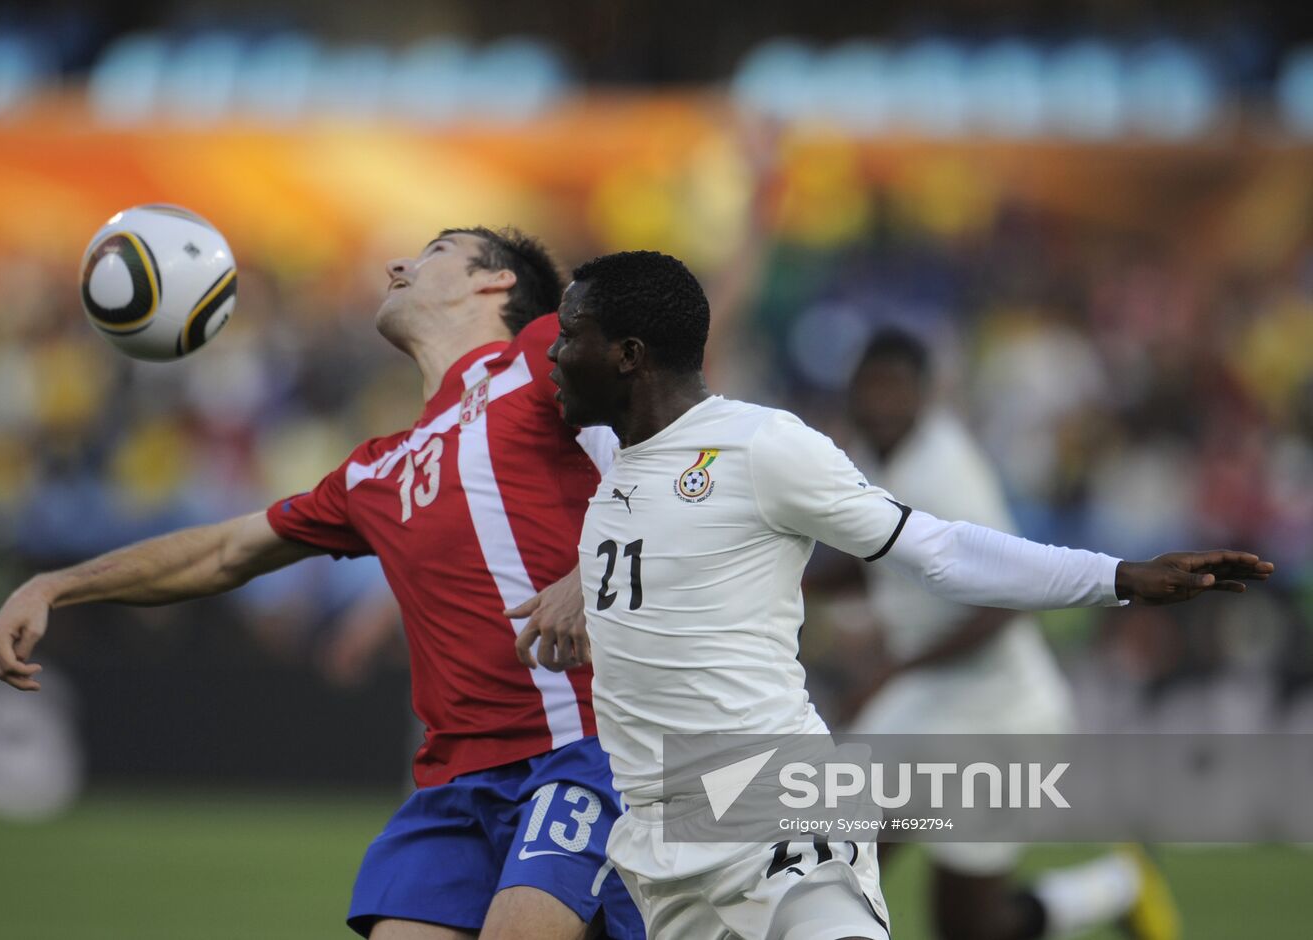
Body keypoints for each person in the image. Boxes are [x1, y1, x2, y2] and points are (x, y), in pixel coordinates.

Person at [544, 249, 1272, 940]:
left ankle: (1105, 883)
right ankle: (1111, 886)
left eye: (569, 336)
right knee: (969, 923)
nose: (550, 354)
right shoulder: (617, 458)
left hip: (795, 799)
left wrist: (1118, 577)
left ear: (629, 355)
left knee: (952, 911)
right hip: (662, 838)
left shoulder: (764, 446)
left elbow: (946, 554)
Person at [0, 227, 644, 940]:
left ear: (494, 282)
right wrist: (56, 585)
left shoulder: (545, 352)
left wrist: (588, 570)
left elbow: (691, 439)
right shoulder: (375, 470)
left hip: (584, 746)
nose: (399, 265)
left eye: (436, 251)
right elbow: (227, 551)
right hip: (455, 786)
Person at [843, 327, 1175, 940]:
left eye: (895, 388)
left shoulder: (944, 471)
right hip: (926, 707)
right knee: (836, 860)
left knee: (968, 927)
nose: (881, 402)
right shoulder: (869, 456)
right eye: (871, 387)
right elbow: (869, 556)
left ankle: (1116, 885)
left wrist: (891, 670)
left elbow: (1003, 606)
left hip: (1000, 718)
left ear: (926, 396)